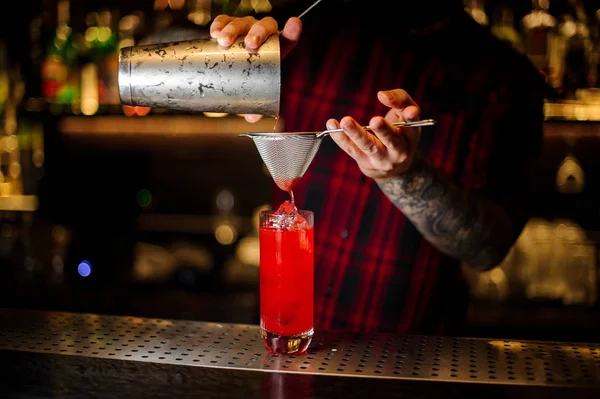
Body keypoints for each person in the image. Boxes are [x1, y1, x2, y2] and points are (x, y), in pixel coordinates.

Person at [210, 0, 546, 334]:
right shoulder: (301, 28)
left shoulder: (505, 78)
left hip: (406, 360)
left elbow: (487, 248)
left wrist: (406, 175)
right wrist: (224, 58)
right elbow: (176, 46)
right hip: (283, 337)